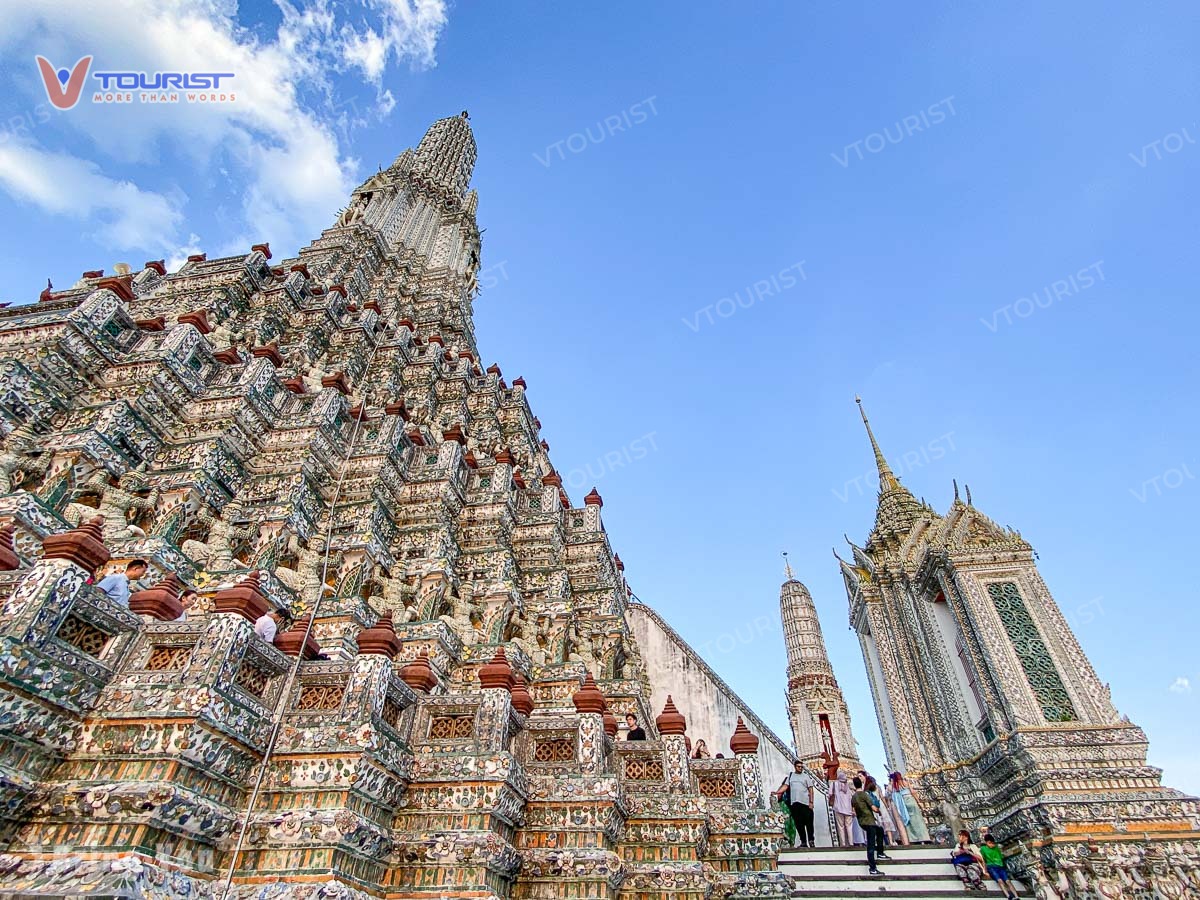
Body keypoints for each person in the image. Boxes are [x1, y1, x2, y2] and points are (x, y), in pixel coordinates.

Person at [771, 760, 815, 848]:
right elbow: (785, 786)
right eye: (799, 767)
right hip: (795, 803)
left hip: (805, 803)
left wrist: (811, 802)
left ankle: (811, 840)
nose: (800, 768)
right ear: (795, 767)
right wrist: (777, 792)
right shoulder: (791, 776)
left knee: (809, 823)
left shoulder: (806, 777)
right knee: (799, 823)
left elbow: (811, 790)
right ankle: (803, 841)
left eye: (801, 767)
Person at [852, 776, 886, 875]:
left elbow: (853, 810)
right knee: (871, 845)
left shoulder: (853, 797)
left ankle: (880, 852)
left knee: (880, 831)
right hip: (869, 820)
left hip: (861, 821)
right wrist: (879, 811)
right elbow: (873, 807)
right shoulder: (864, 795)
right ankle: (872, 868)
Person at [890, 772, 930, 843]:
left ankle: (913, 839)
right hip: (911, 800)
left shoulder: (895, 785)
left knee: (909, 821)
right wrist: (918, 801)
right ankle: (923, 837)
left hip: (904, 803)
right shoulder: (905, 782)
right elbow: (913, 792)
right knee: (918, 820)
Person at [980, 835, 1018, 899]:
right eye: (989, 843)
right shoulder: (983, 849)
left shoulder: (996, 848)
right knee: (1000, 880)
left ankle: (1016, 896)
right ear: (986, 842)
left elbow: (1001, 857)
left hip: (1000, 866)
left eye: (992, 843)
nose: (991, 845)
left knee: (1008, 881)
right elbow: (983, 859)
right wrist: (985, 870)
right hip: (991, 867)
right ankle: (1008, 896)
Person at [829, 771, 856, 847]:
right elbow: (851, 797)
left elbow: (830, 794)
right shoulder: (847, 785)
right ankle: (851, 843)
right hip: (848, 808)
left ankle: (843, 843)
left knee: (840, 826)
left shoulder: (834, 784)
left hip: (838, 807)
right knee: (849, 826)